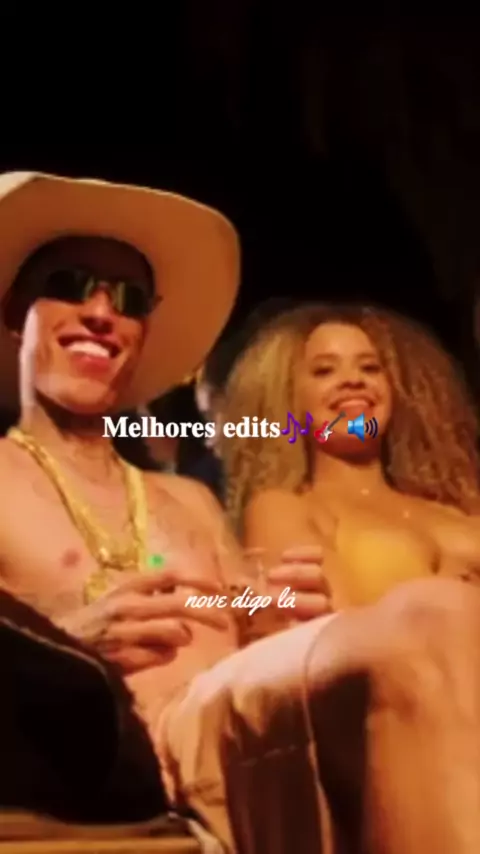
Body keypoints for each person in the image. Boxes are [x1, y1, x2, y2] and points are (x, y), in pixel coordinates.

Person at [0, 173, 480, 854]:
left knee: (443, 622)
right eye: (70, 285)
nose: (102, 313)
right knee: (430, 618)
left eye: (128, 298)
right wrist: (64, 649)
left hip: (245, 734)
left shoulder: (187, 500)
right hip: (124, 752)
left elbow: (244, 605)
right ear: (15, 313)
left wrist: (282, 608)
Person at [221, 302, 480, 602]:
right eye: (324, 371)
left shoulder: (458, 505)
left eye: (370, 368)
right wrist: (442, 601)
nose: (353, 380)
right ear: (286, 396)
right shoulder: (282, 509)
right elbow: (318, 624)